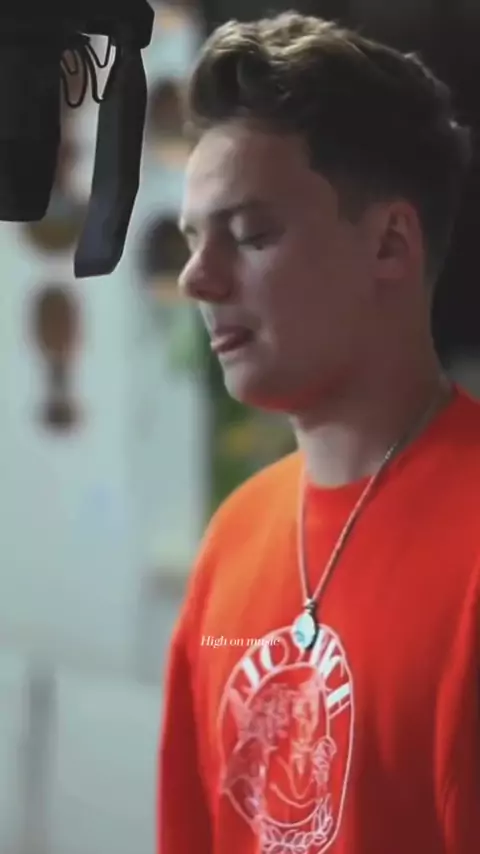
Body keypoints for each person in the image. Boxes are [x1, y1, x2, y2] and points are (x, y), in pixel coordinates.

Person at [158, 12, 480, 854]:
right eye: (194, 240)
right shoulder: (234, 537)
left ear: (390, 244)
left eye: (251, 234)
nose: (196, 278)